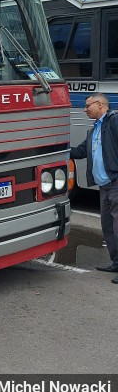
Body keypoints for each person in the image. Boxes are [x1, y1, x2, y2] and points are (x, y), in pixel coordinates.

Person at [70, 94, 118, 284]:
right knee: (107, 226)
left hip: (116, 182)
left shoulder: (114, 122)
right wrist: (57, 148)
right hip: (104, 186)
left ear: (100, 105)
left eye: (88, 105)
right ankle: (116, 262)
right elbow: (81, 152)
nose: (84, 109)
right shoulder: (94, 130)